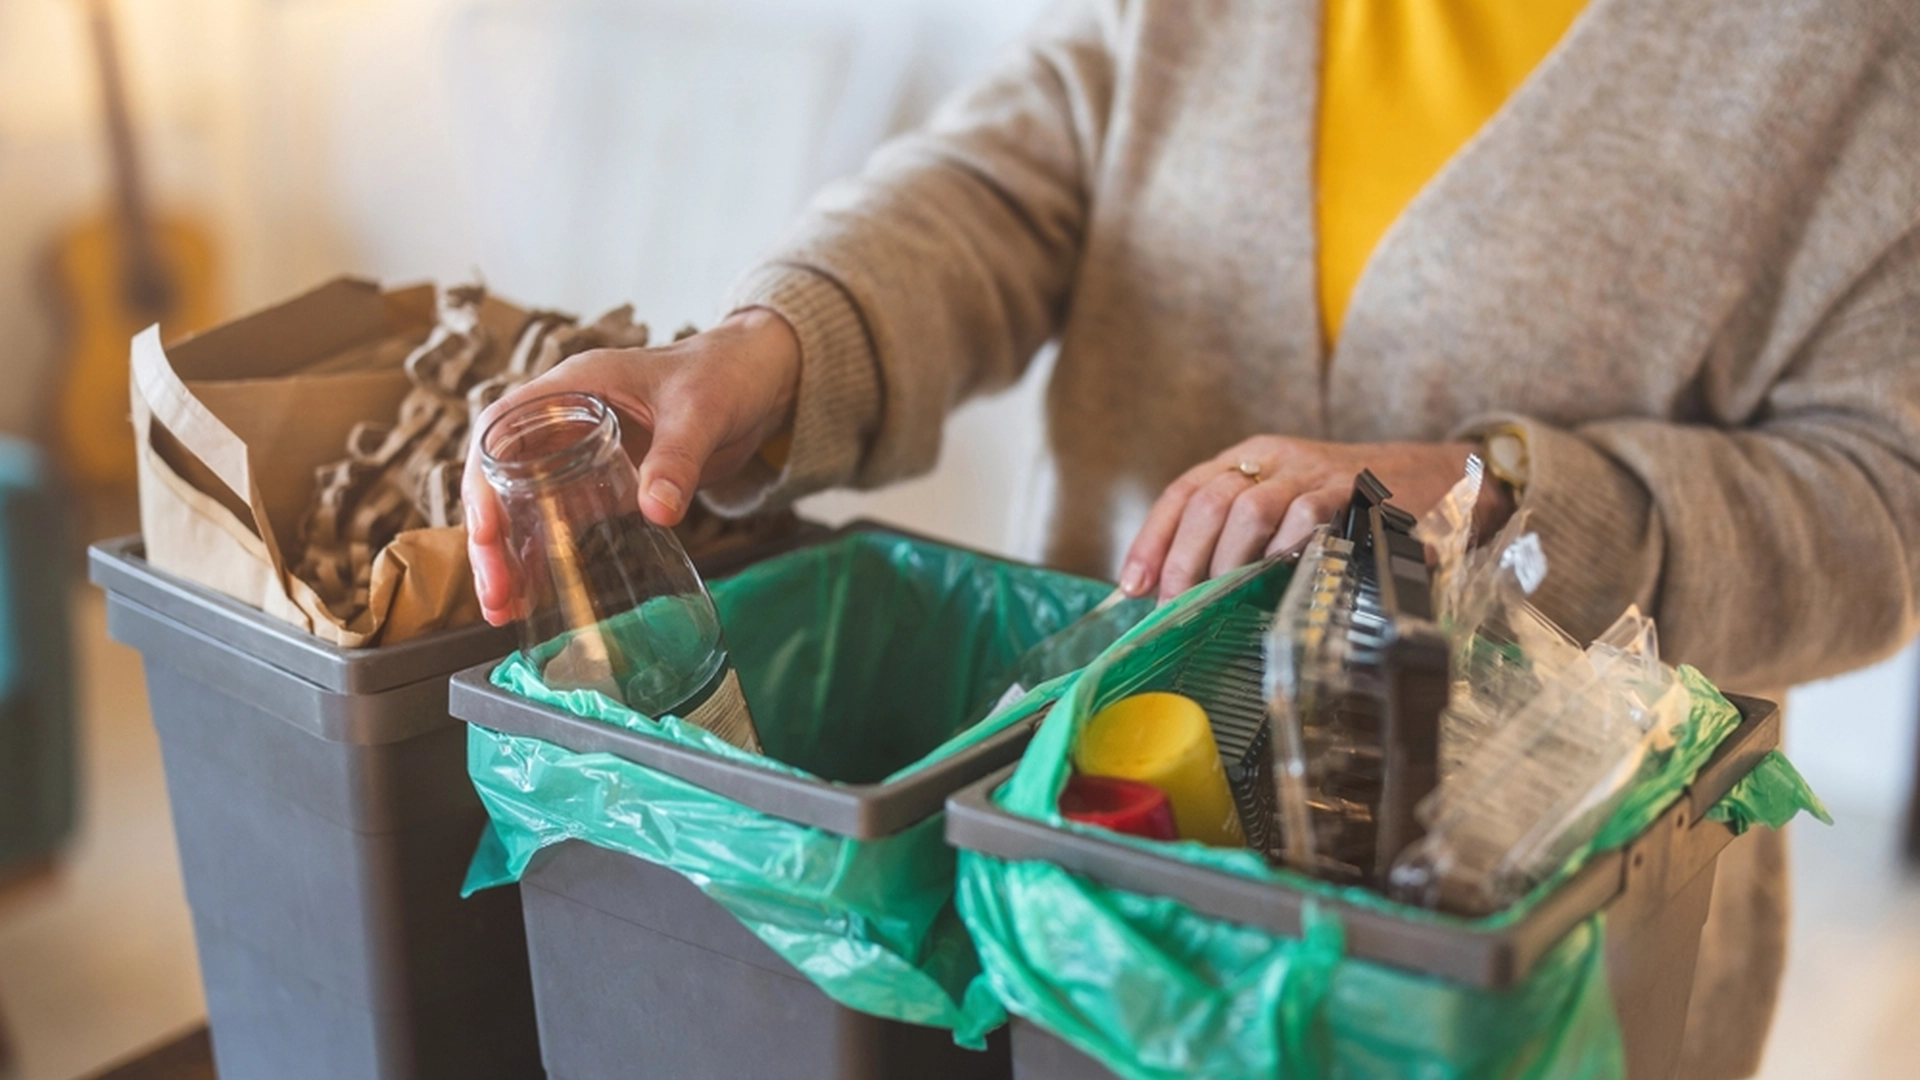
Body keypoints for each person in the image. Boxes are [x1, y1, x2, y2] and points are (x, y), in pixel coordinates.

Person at [464, 2, 1920, 1075]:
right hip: (1100, 902)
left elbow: (1882, 496)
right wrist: (766, 349)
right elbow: (1020, 170)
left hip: (1519, 967)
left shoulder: (1848, 50)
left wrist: (1496, 498)